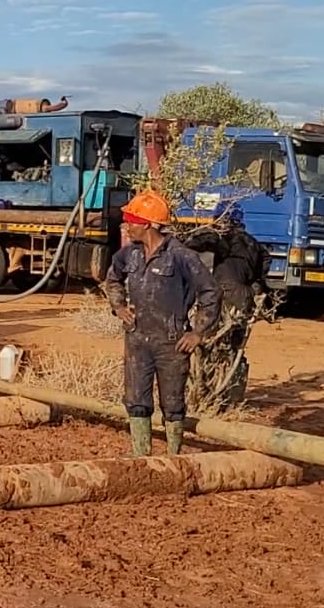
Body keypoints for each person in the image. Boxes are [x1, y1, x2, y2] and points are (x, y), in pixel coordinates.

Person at [103, 190, 220, 456]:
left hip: (172, 343)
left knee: (173, 403)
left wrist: (198, 332)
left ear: (147, 224)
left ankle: (173, 459)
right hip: (137, 339)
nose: (126, 226)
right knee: (136, 401)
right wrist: (119, 306)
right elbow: (113, 279)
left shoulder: (181, 256)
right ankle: (141, 458)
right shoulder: (129, 254)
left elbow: (211, 292)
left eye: (131, 221)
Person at [181, 203, 270, 411]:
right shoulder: (254, 243)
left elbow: (195, 243)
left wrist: (183, 238)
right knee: (235, 345)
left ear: (223, 220)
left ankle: (207, 392)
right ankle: (231, 396)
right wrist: (256, 287)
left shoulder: (222, 238)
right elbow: (265, 263)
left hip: (223, 292)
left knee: (209, 339)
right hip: (245, 295)